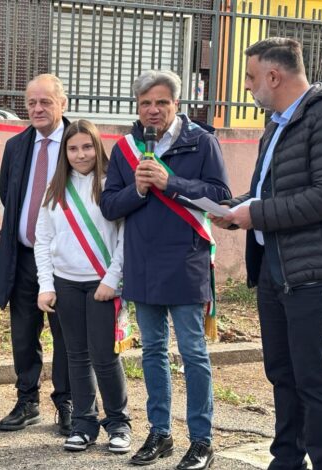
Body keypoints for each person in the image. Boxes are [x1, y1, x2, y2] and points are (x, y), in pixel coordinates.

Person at [211, 37, 322, 470]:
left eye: (250, 77)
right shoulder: (277, 123)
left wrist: (255, 214)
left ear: (274, 76)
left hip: (312, 269)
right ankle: (286, 460)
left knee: (313, 378)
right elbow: (269, 192)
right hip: (275, 267)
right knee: (281, 373)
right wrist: (234, 210)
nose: (247, 86)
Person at [100, 69, 230, 470]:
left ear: (176, 103)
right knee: (153, 351)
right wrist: (138, 189)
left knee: (192, 352)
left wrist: (171, 182)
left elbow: (221, 198)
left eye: (161, 102)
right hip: (142, 261)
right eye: (145, 104)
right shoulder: (125, 148)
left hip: (185, 259)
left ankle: (202, 440)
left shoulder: (201, 142)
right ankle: (160, 432)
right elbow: (109, 206)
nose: (152, 110)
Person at [34, 120, 131, 453]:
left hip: (103, 284)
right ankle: (84, 424)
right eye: (73, 148)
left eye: (87, 147)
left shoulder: (111, 186)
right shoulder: (54, 189)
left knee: (105, 357)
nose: (81, 154)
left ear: (98, 147)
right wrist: (46, 285)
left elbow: (124, 238)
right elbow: (43, 240)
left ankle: (118, 423)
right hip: (66, 284)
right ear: (65, 152)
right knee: (76, 356)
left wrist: (112, 280)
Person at [0, 73, 72, 435]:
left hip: (65, 261)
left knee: (65, 333)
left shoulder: (78, 143)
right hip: (24, 257)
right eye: (31, 103)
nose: (37, 109)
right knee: (23, 333)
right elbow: (8, 196)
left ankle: (67, 402)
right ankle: (27, 401)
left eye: (45, 102)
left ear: (62, 104)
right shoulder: (17, 146)